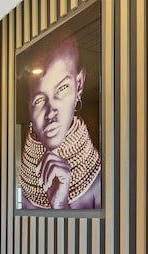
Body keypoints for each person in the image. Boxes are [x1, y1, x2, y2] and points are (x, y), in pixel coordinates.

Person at [20, 34, 101, 209]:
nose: (51, 112)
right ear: (30, 109)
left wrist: (61, 204)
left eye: (62, 89)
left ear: (79, 85)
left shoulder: (100, 184)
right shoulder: (23, 191)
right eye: (39, 100)